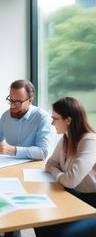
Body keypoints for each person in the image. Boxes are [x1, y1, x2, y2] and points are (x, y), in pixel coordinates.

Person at [34, 97, 96, 237]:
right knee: (40, 219)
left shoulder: (90, 141)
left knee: (64, 233)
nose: (52, 123)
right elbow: (50, 163)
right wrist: (57, 172)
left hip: (92, 201)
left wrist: (55, 172)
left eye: (55, 118)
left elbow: (70, 181)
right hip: (77, 196)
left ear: (68, 120)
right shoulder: (66, 139)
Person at [0, 79, 52, 160]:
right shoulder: (6, 116)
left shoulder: (43, 118)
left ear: (30, 100)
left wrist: (13, 150)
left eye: (18, 102)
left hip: (33, 168)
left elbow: (43, 152)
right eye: (11, 101)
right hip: (8, 165)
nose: (12, 106)